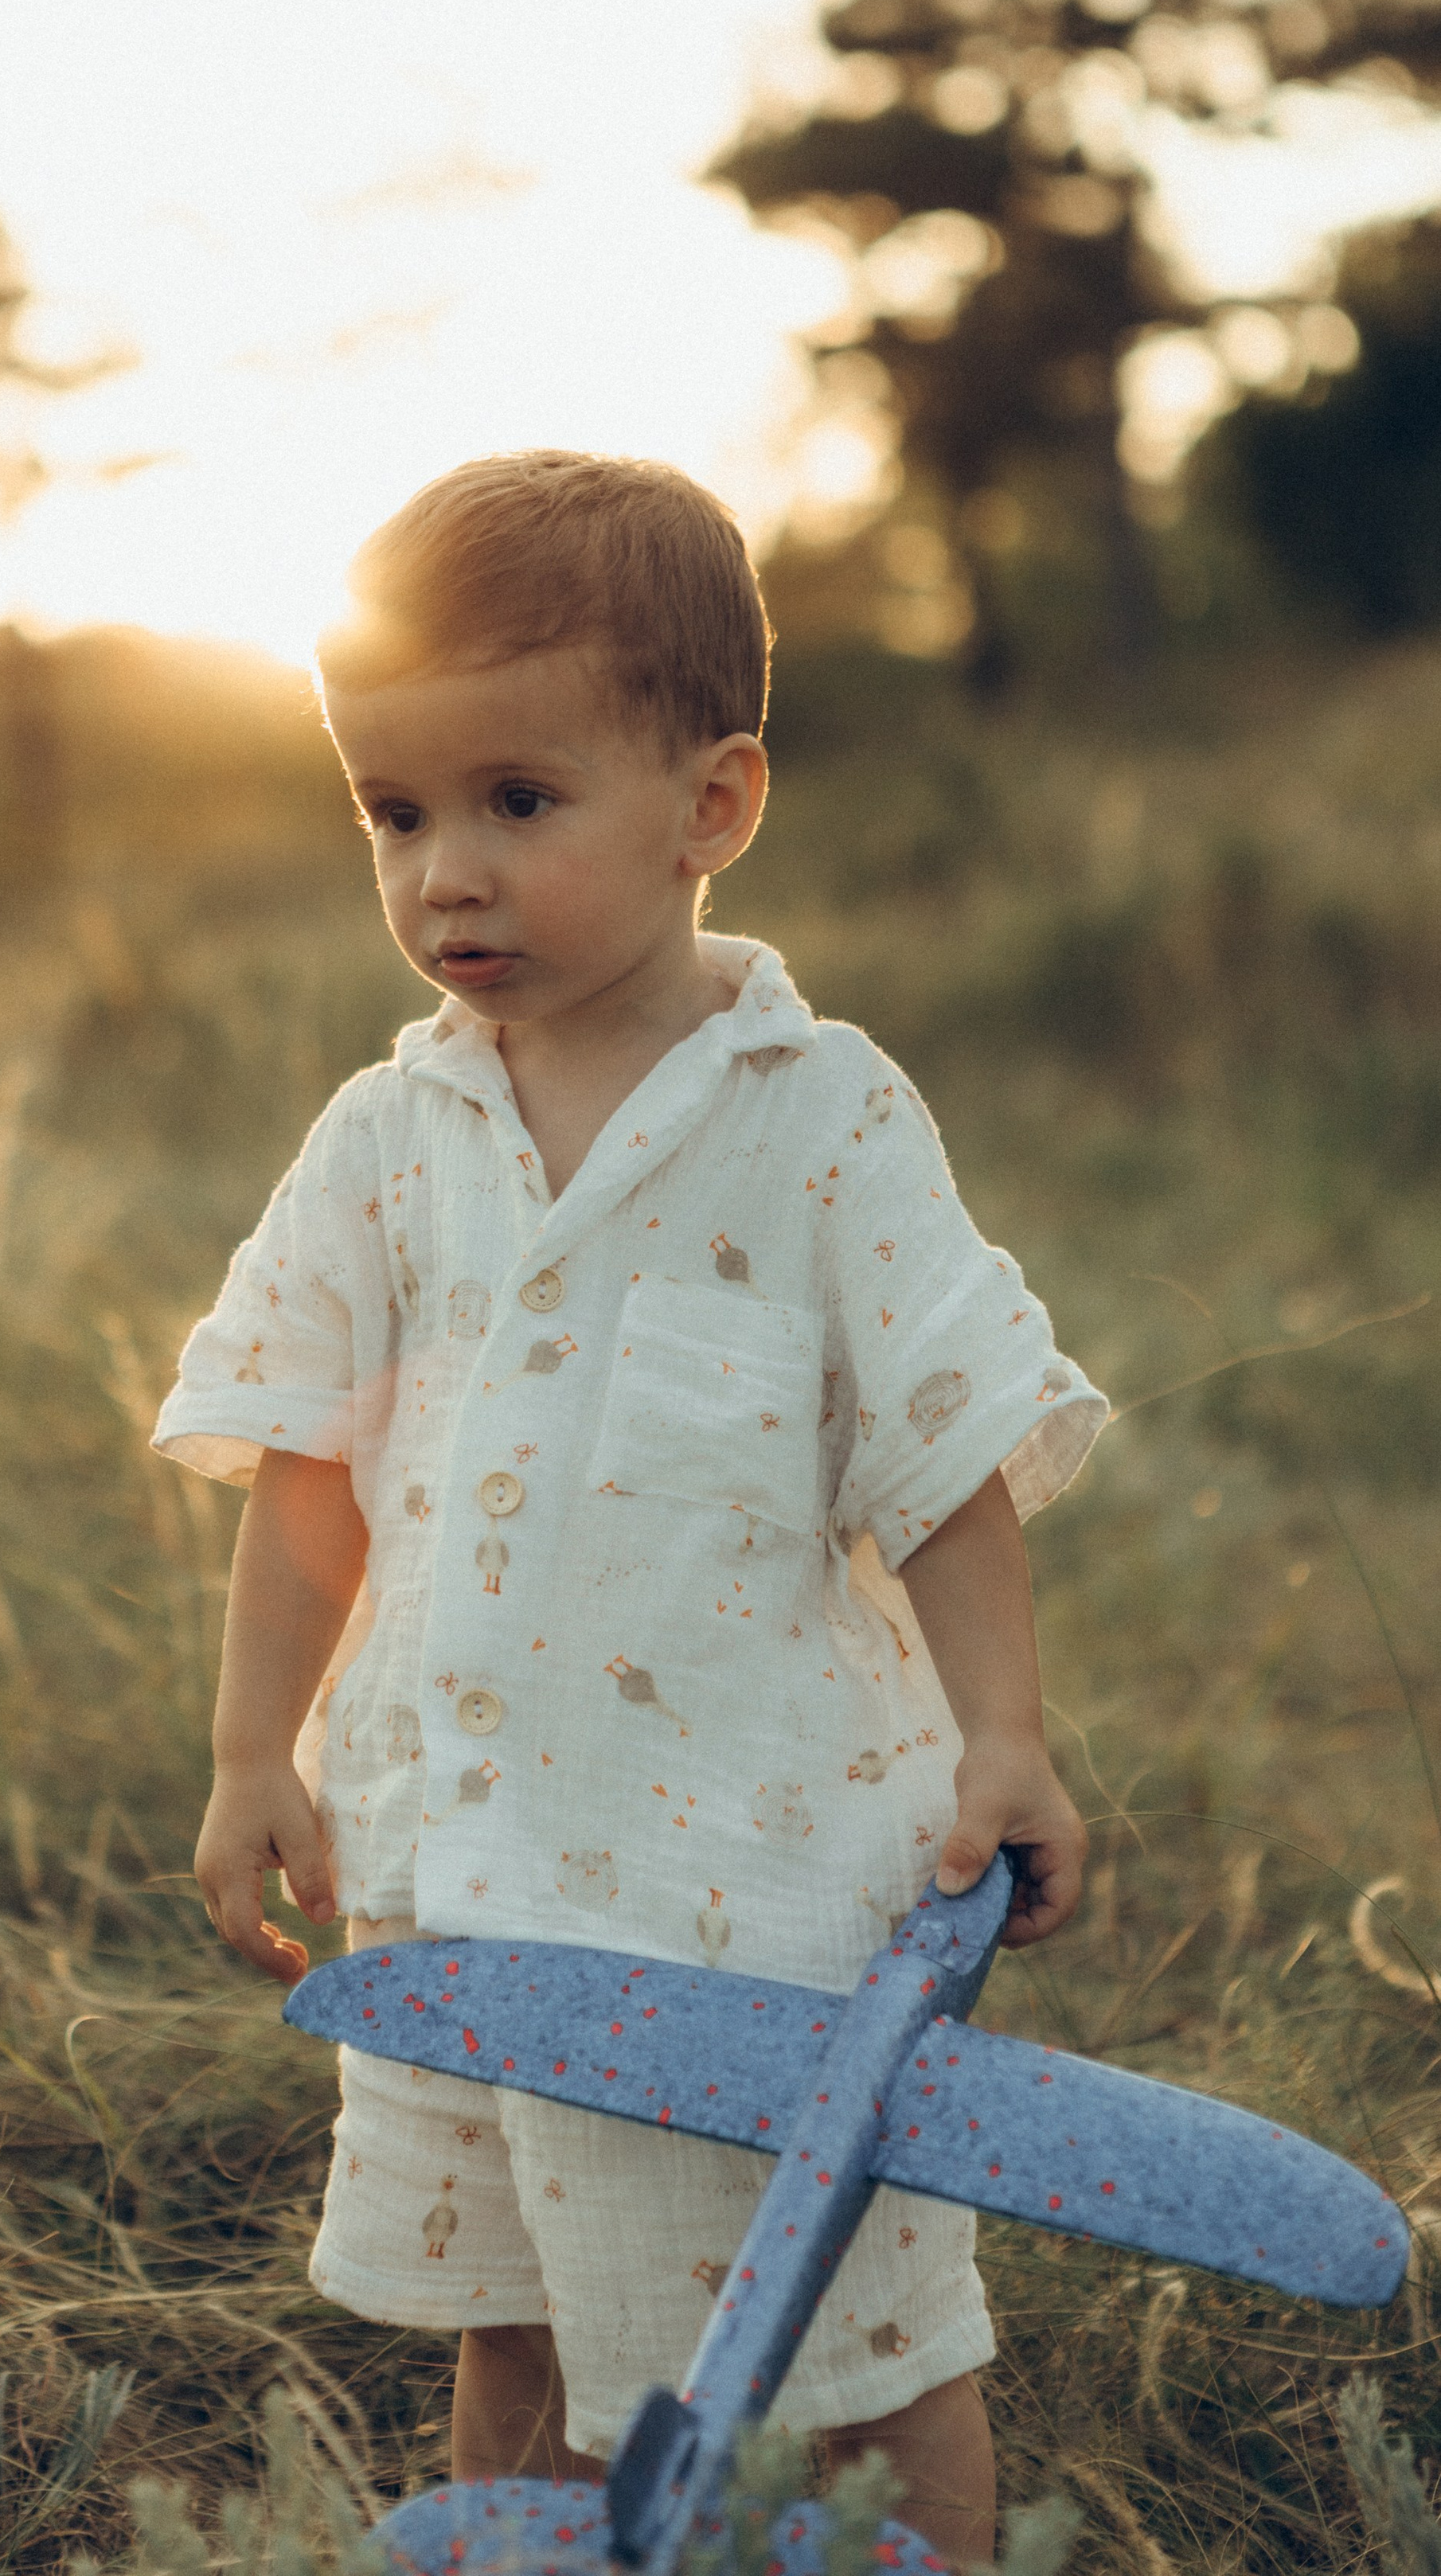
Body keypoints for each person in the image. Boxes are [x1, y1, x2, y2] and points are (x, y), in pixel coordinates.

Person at [153, 451, 1107, 2563]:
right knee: (518, 2328)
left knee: (845, 2337)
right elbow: (309, 1461)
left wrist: (1006, 1737)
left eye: (517, 800)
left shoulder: (821, 1121)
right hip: (464, 1869)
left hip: (741, 1894)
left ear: (715, 805)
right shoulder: (389, 1138)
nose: (444, 880)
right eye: (391, 817)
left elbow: (941, 1453)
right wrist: (255, 1750)